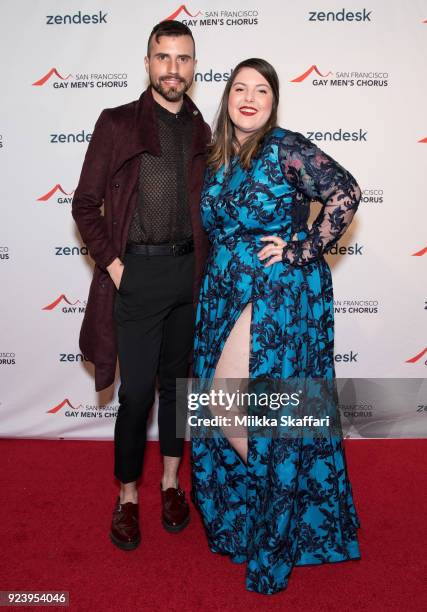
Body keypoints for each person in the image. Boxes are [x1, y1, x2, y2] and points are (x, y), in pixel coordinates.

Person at [190, 58, 362, 594]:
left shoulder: (286, 148)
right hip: (222, 293)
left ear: (273, 101)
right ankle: (278, 502)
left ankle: (280, 510)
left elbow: (346, 192)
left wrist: (303, 246)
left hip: (272, 296)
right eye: (239, 88)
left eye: (260, 89)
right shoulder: (219, 157)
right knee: (231, 406)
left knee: (227, 401)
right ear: (226, 98)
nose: (248, 97)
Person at [72, 20, 211, 550]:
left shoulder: (205, 130)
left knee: (179, 391)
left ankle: (172, 483)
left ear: (194, 67)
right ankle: (128, 495)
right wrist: (112, 264)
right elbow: (85, 204)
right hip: (137, 273)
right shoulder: (117, 123)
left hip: (189, 274)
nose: (173, 68)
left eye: (183, 58)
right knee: (134, 396)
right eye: (163, 57)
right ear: (148, 62)